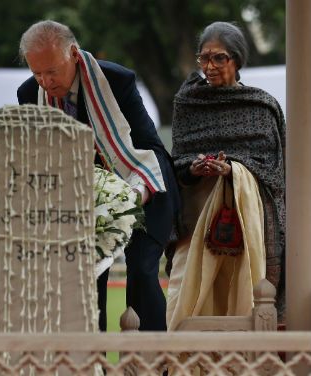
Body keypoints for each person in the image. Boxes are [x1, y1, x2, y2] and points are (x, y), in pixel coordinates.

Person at [17, 20, 180, 332]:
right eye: (37, 73)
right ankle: (90, 365)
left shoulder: (116, 80)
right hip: (79, 203)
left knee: (143, 274)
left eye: (52, 71)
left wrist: (130, 196)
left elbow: (147, 147)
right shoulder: (29, 94)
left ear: (74, 55)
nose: (45, 82)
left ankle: (153, 364)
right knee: (82, 284)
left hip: (143, 184)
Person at [166, 22, 285, 330]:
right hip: (195, 224)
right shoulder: (188, 102)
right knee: (186, 298)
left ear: (237, 60)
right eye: (204, 58)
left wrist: (233, 169)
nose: (210, 66)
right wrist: (193, 168)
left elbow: (273, 169)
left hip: (248, 225)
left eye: (219, 58)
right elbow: (175, 160)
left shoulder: (260, 106)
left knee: (243, 294)